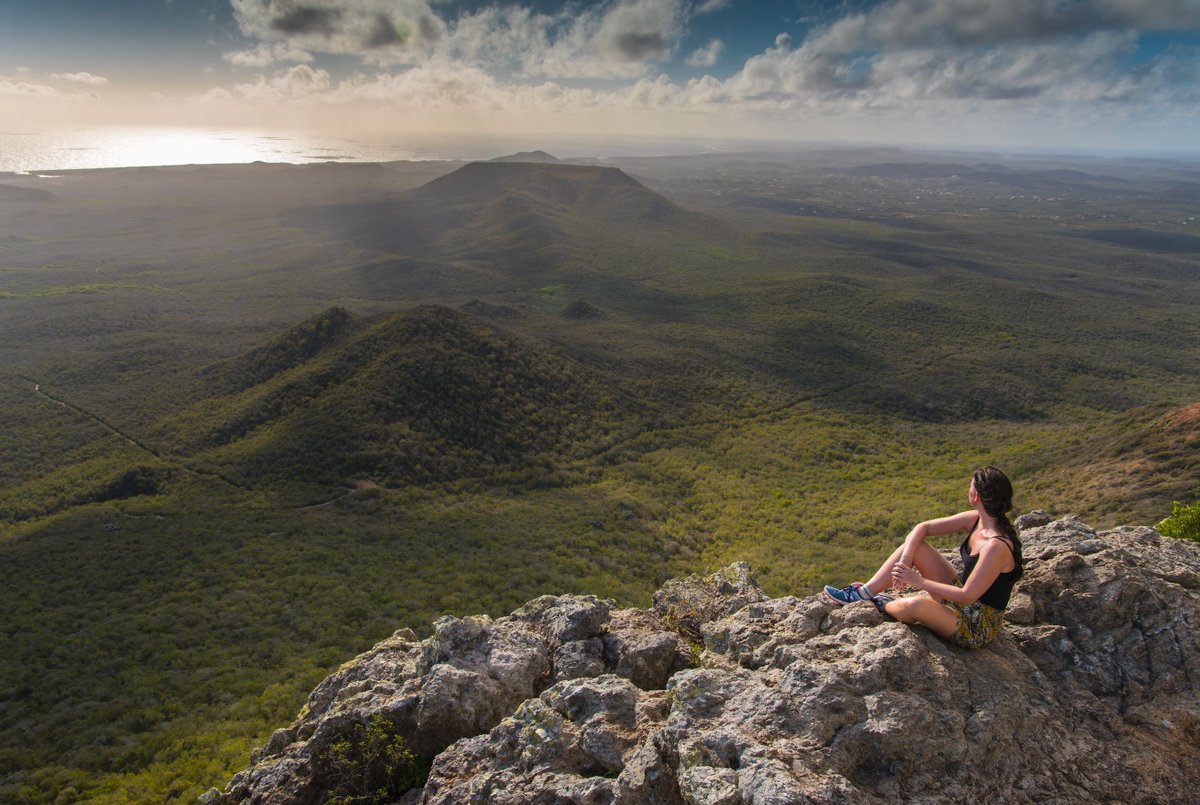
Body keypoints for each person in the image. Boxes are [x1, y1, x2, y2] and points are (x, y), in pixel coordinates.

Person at [822, 466, 1024, 649]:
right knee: (916, 546)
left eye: (970, 487)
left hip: (976, 624)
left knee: (915, 604)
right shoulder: (976, 520)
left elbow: (967, 595)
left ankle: (878, 603)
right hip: (960, 602)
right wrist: (904, 561)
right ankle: (863, 593)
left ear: (977, 497)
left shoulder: (996, 546)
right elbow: (923, 528)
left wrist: (919, 582)